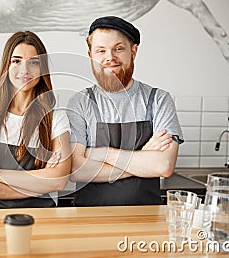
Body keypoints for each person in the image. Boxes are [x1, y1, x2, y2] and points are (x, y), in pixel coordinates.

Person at [67, 16, 184, 206]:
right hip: (89, 219)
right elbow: (76, 170)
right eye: (101, 50)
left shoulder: (159, 100)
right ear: (90, 55)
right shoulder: (80, 103)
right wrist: (144, 157)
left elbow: (164, 166)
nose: (110, 57)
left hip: (146, 218)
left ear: (133, 52)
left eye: (118, 49)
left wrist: (101, 154)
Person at [0, 31, 71, 209]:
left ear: (42, 69)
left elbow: (59, 181)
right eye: (16, 61)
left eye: (33, 62)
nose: (24, 70)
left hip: (41, 222)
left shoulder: (56, 119)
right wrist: (39, 187)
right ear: (6, 66)